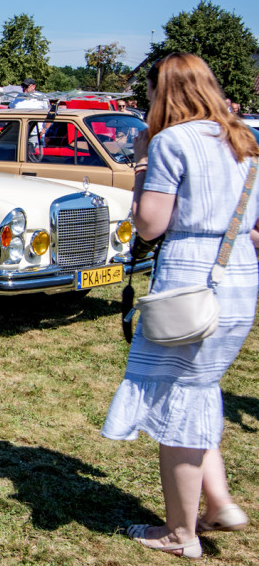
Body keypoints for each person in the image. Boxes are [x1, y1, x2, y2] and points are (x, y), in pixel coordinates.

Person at [102, 53, 259, 559]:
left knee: (179, 405)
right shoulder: (244, 143)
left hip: (191, 277)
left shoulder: (171, 142)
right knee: (198, 389)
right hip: (238, 274)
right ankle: (218, 504)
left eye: (149, 94)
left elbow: (150, 224)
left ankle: (180, 532)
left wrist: (144, 165)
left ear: (163, 92)